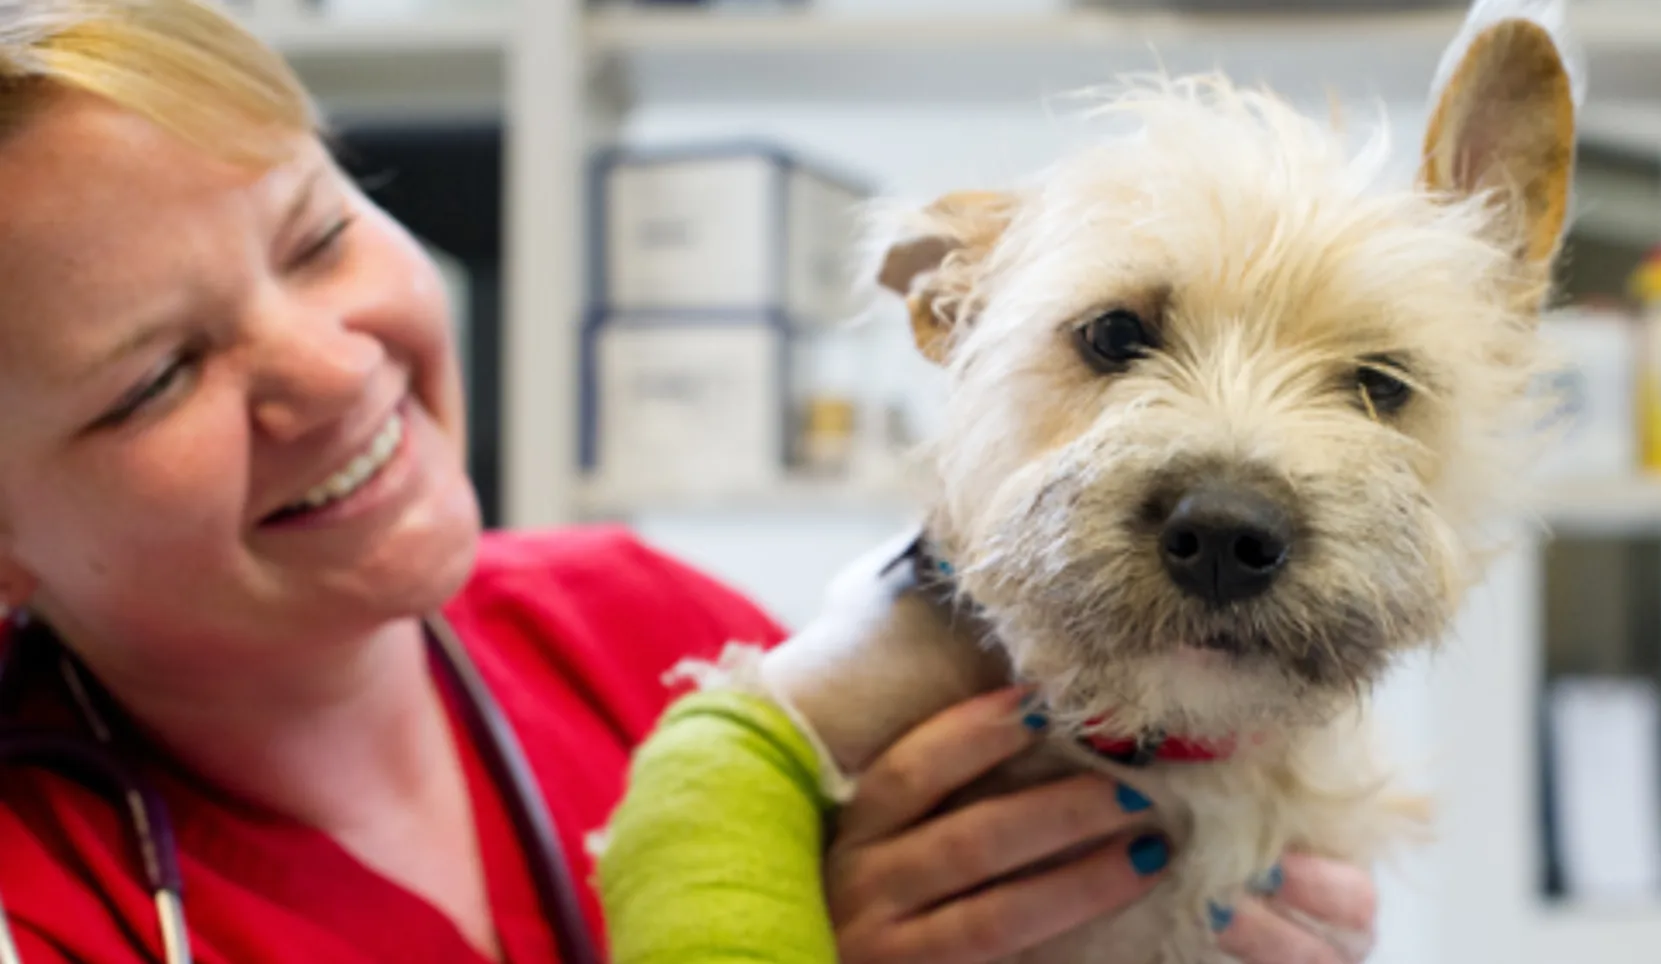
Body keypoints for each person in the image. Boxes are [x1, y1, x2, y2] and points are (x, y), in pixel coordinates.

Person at [0, 1, 1381, 962]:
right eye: (157, 377)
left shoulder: (633, 621)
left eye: (314, 238)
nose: (332, 365)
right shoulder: (41, 905)